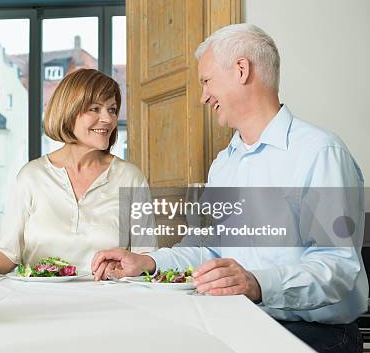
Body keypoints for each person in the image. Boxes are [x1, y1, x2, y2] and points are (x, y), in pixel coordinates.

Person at [92, 24, 367, 353]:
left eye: (206, 81)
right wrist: (146, 263)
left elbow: (338, 269)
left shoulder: (320, 153)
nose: (203, 96)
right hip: (238, 323)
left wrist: (256, 283)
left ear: (241, 70)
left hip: (312, 333)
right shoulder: (224, 164)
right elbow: (208, 251)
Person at [0, 68, 157, 274]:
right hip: (39, 300)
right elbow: (7, 253)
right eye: (95, 109)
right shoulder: (31, 176)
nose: (108, 119)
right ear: (69, 111)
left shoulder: (130, 177)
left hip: (107, 299)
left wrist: (130, 265)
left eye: (112, 109)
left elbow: (146, 257)